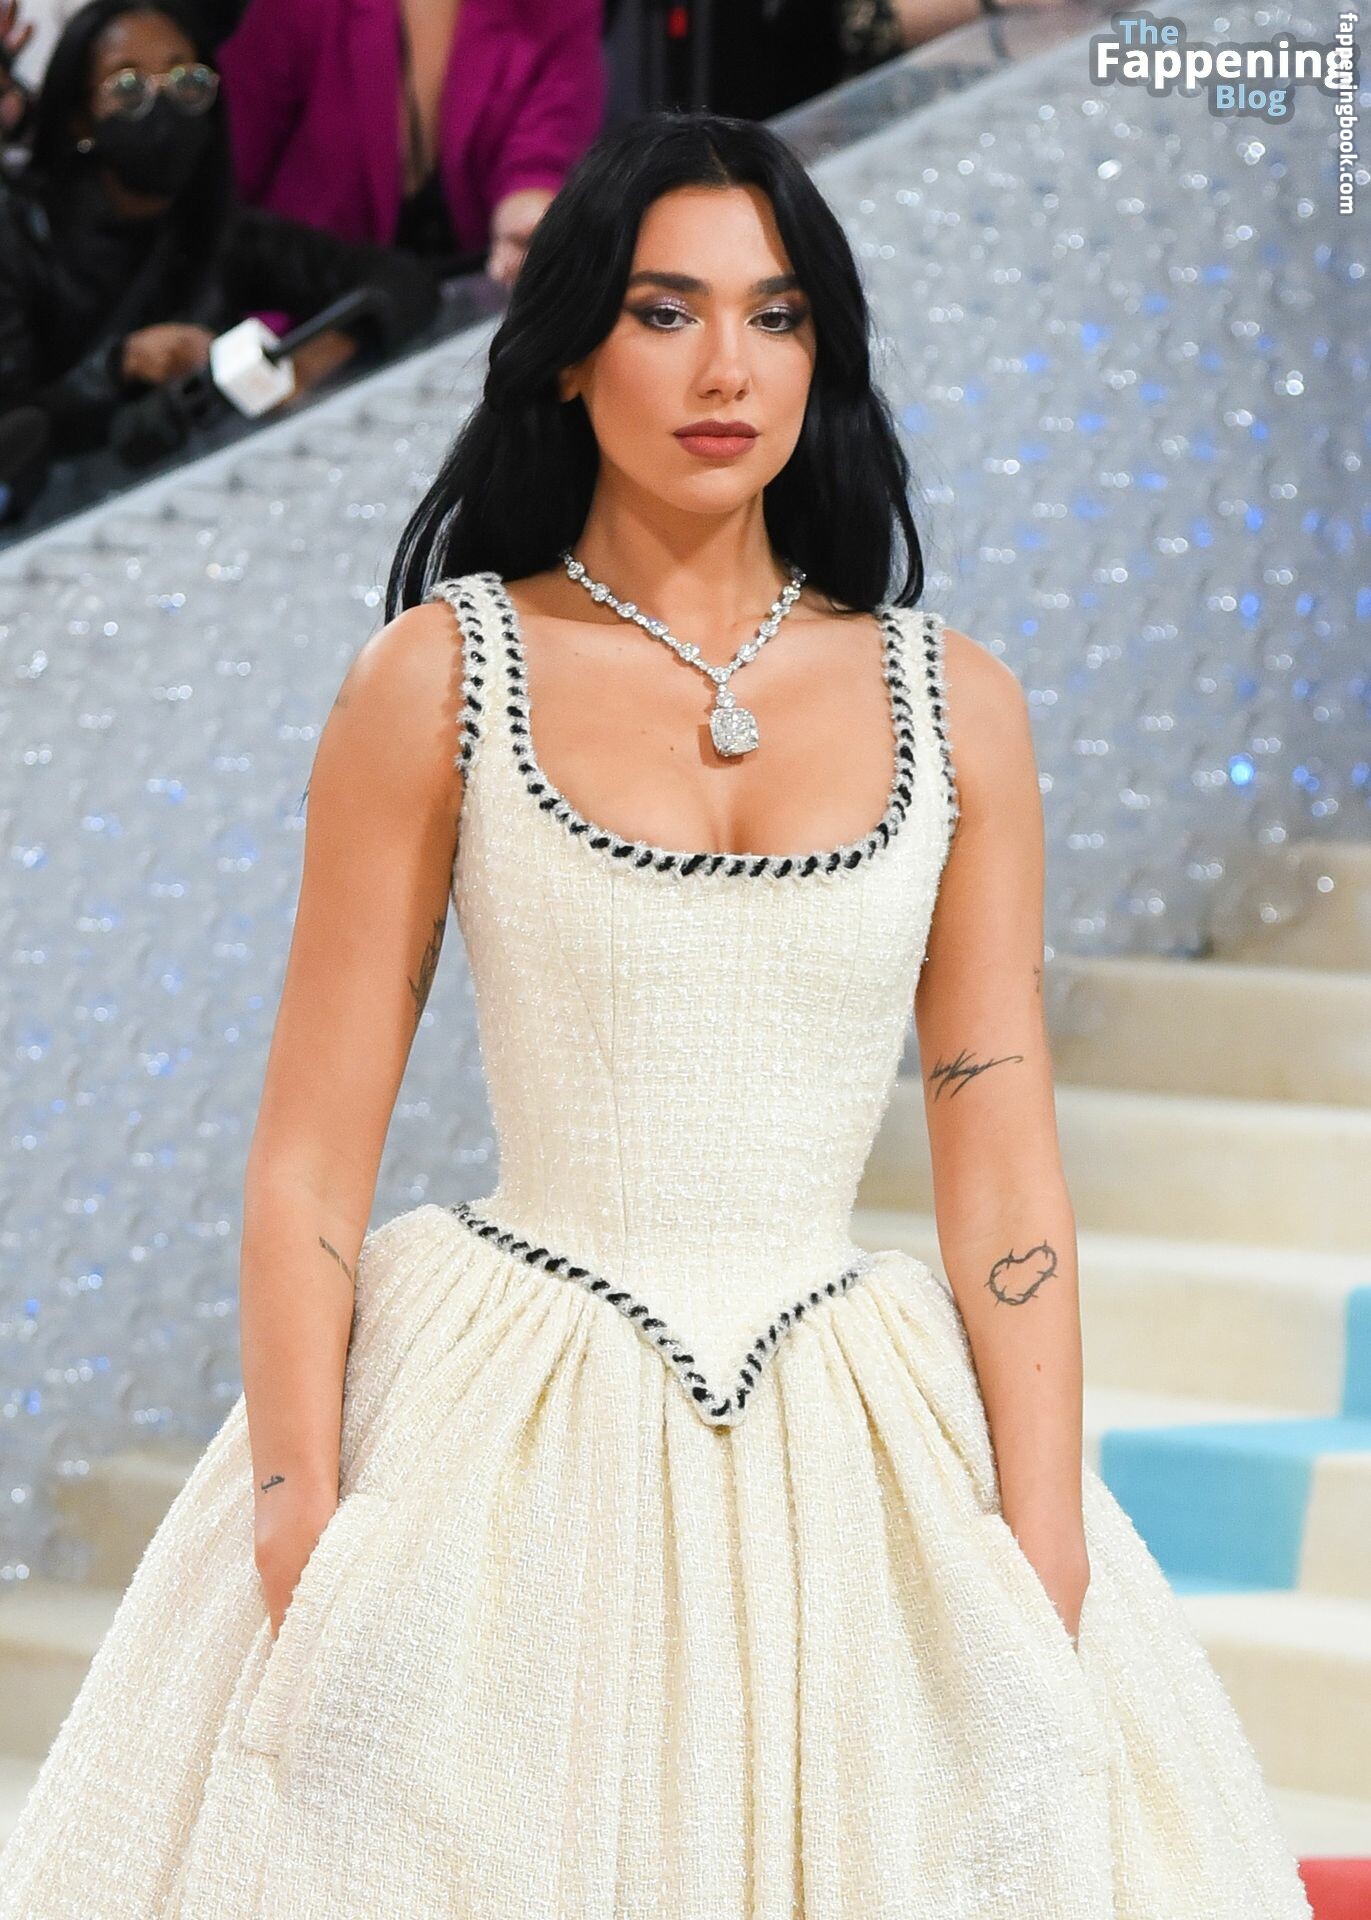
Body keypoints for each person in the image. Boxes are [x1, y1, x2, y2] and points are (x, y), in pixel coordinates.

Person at [0, 109, 1314, 1919]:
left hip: (859, 1428)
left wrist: (1044, 1527)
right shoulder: (436, 677)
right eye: (664, 311)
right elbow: (308, 1154)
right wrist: (298, 1512)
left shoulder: (961, 704)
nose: (726, 369)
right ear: (565, 354)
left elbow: (1001, 1146)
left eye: (775, 317)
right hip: (498, 1429)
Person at [0, 0, 439, 481]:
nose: (162, 105)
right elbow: (14, 427)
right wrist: (119, 365)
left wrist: (304, 363)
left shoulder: (217, 230)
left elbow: (402, 279)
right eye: (128, 87)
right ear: (79, 118)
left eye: (186, 82)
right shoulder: (20, 238)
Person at [215, 0, 606, 288]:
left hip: (469, 315)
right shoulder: (296, 9)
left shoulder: (560, 8)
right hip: (305, 315)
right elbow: (226, 173)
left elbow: (546, 143)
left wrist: (528, 209)